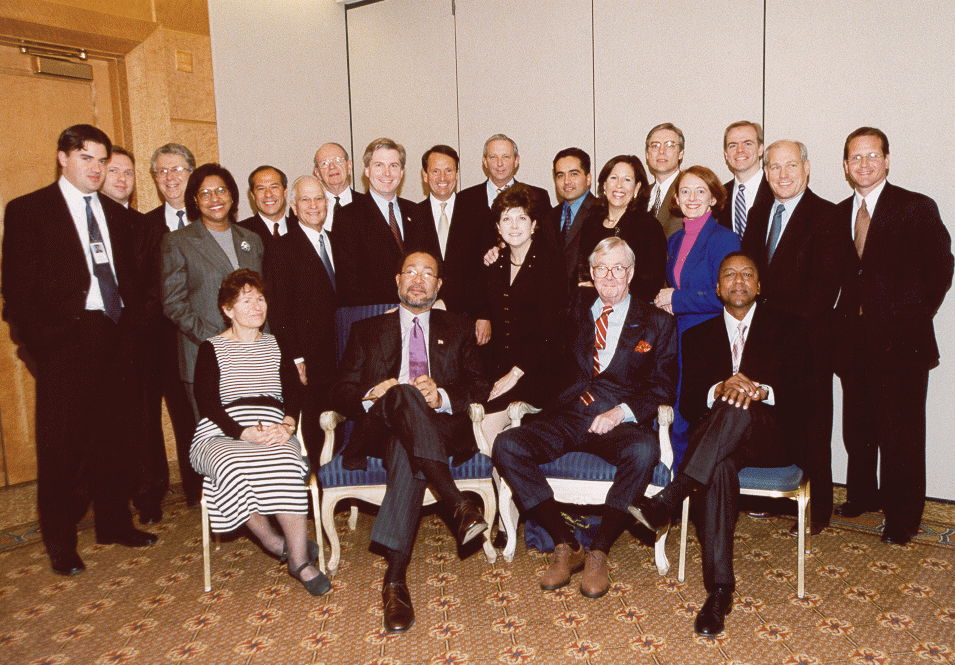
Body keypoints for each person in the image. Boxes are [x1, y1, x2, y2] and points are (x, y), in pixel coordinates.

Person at [2, 124, 157, 576]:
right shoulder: (30, 210)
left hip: (117, 336)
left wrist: (135, 330)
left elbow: (136, 283)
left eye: (102, 160)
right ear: (63, 158)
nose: (96, 168)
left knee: (116, 439)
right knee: (62, 449)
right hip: (64, 343)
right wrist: (42, 345)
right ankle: (61, 543)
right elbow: (16, 291)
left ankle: (114, 523)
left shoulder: (121, 217)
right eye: (86, 158)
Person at [631, 252, 810, 637]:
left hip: (770, 437)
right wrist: (720, 388)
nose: (738, 281)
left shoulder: (789, 327)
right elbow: (689, 404)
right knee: (719, 466)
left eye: (747, 274)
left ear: (759, 286)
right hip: (717, 446)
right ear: (717, 288)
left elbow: (803, 397)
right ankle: (719, 592)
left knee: (739, 405)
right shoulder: (697, 335)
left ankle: (672, 495)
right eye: (730, 274)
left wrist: (760, 391)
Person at [492, 237, 678, 600]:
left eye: (618, 268)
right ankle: (566, 543)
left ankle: (599, 550)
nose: (610, 276)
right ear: (591, 274)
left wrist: (620, 413)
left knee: (644, 451)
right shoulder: (572, 311)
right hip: (568, 414)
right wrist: (515, 375)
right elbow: (539, 348)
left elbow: (663, 387)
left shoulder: (657, 322)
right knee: (507, 445)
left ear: (631, 273)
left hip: (617, 421)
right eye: (601, 268)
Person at [331, 251, 491, 633]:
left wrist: (443, 397)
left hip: (437, 429)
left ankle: (394, 580)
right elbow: (340, 391)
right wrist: (372, 394)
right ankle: (457, 503)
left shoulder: (459, 327)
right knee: (402, 394)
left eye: (427, 274)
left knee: (407, 447)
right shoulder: (366, 330)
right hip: (380, 424)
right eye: (410, 272)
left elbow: (480, 385)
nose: (418, 280)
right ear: (397, 280)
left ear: (438, 285)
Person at [833, 127, 953, 545]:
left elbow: (941, 268)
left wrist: (911, 317)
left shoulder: (915, 207)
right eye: (855, 157)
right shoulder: (838, 213)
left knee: (901, 435)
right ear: (845, 165)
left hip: (902, 345)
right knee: (858, 428)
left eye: (872, 156)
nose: (864, 164)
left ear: (886, 160)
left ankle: (904, 517)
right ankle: (863, 495)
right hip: (853, 342)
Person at [190, 269, 329, 596]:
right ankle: (274, 543)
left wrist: (288, 425)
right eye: (246, 301)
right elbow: (207, 402)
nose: (257, 306)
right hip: (222, 430)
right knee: (229, 466)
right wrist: (242, 433)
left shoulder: (277, 344)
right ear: (227, 309)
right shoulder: (211, 348)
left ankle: (299, 561)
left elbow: (294, 392)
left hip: (273, 425)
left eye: (261, 299)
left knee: (287, 462)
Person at [742, 140, 852, 532]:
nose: (783, 174)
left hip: (807, 340)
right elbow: (750, 274)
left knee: (813, 425)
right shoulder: (759, 213)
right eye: (774, 167)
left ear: (807, 167)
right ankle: (773, 497)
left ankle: (817, 508)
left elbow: (823, 289)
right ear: (766, 172)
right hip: (763, 340)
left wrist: (772, 320)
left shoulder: (828, 215)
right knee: (771, 419)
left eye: (791, 165)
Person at [162, 163, 265, 427]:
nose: (214, 199)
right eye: (205, 193)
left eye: (221, 190)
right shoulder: (178, 241)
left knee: (256, 432)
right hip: (204, 355)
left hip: (252, 357)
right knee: (216, 436)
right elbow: (174, 303)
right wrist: (217, 341)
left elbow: (261, 297)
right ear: (195, 200)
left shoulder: (251, 239)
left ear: (232, 195)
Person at [103, 146, 171, 525]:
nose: (122, 179)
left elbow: (156, 287)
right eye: (114, 171)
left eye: (128, 173)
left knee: (144, 422)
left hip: (138, 341)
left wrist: (132, 328)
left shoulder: (145, 226)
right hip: (92, 343)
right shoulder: (82, 224)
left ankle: (149, 495)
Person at [655, 166, 740, 463]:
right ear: (676, 198)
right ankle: (674, 481)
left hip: (708, 340)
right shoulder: (675, 240)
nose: (692, 198)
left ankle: (691, 485)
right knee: (675, 415)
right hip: (678, 338)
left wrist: (676, 299)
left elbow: (727, 295)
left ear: (713, 198)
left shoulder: (725, 239)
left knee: (695, 417)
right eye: (685, 191)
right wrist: (668, 302)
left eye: (700, 191)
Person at [475, 184, 568, 445]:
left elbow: (551, 331)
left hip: (538, 372)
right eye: (507, 219)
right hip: (499, 370)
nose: (514, 226)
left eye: (522, 218)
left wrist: (515, 374)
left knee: (486, 427)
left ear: (534, 224)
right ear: (498, 227)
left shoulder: (550, 263)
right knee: (467, 422)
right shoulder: (494, 263)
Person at [266, 175, 338, 465]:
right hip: (309, 359)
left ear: (327, 203)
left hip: (343, 352)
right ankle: (320, 484)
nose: (313, 205)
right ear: (293, 207)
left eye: (319, 198)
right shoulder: (281, 248)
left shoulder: (337, 241)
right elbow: (278, 310)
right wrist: (295, 357)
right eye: (305, 200)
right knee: (316, 425)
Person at [144, 142, 201, 506]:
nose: (170, 177)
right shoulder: (144, 226)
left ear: (191, 174)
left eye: (177, 169)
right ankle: (196, 493)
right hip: (163, 340)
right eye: (162, 171)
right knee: (182, 417)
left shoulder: (210, 218)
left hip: (208, 334)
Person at [407, 145, 486, 328]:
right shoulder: (412, 216)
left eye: (448, 171)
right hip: (424, 314)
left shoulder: (478, 213)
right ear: (425, 175)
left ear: (457, 174)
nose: (442, 178)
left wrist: (485, 315)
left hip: (469, 315)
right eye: (435, 171)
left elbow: (485, 271)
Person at [334, 138, 418, 307]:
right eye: (379, 165)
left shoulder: (416, 212)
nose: (387, 173)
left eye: (393, 166)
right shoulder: (347, 217)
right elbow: (349, 284)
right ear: (366, 170)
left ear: (402, 172)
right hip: (375, 313)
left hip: (418, 311)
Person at [576, 155, 667, 303]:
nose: (619, 185)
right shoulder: (590, 224)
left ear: (637, 187)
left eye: (627, 180)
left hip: (633, 309)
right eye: (614, 178)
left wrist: (608, 292)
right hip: (593, 306)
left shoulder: (649, 226)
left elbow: (652, 282)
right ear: (604, 185)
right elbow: (582, 273)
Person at [456, 134, 551, 254]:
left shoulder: (538, 196)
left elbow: (547, 244)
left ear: (516, 161)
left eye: (506, 157)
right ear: (485, 161)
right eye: (493, 157)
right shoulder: (464, 199)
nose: (500, 163)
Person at [549, 148, 597, 288]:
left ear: (588, 179)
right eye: (560, 175)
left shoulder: (602, 213)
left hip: (589, 297)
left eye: (573, 174)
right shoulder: (548, 217)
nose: (566, 181)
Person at [717, 121, 773, 239]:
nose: (740, 150)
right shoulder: (719, 195)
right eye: (733, 145)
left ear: (760, 149)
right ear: (726, 154)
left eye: (747, 144)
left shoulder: (776, 190)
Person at [237, 165, 297, 250]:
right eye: (261, 189)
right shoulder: (239, 232)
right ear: (253, 195)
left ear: (285, 192)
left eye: (274, 187)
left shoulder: (301, 229)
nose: (268, 194)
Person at [644, 123, 686, 238]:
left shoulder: (690, 191)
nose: (661, 151)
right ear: (647, 154)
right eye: (655, 145)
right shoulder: (641, 194)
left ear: (681, 153)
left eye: (669, 145)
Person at [313, 142, 356, 231]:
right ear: (317, 173)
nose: (332, 167)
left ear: (349, 166)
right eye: (324, 163)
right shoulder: (307, 210)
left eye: (338, 160)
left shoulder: (369, 205)